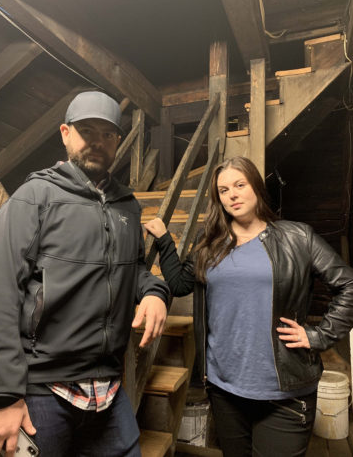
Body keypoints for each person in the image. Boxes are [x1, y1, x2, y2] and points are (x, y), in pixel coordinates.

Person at [0, 91, 170, 457]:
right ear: (66, 133)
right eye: (87, 131)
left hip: (109, 390)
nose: (97, 141)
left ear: (118, 141)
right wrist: (2, 396)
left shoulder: (127, 207)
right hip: (41, 390)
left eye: (108, 134)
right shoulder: (33, 197)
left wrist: (154, 292)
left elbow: (135, 270)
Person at [145, 156, 353, 457]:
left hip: (284, 392)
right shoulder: (210, 244)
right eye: (224, 189)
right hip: (224, 389)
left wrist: (318, 336)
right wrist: (165, 242)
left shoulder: (296, 237)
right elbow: (179, 285)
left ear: (255, 186)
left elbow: (348, 285)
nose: (232, 194)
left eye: (240, 185)